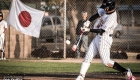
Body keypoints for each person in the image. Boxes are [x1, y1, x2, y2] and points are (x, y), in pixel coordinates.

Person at [76, 0, 136, 80]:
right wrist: (88, 21)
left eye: (106, 7)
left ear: (110, 7)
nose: (104, 9)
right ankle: (81, 76)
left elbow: (102, 31)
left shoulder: (112, 17)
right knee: (88, 57)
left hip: (105, 39)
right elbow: (97, 14)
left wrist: (88, 30)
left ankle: (126, 71)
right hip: (97, 38)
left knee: (106, 62)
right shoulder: (105, 9)